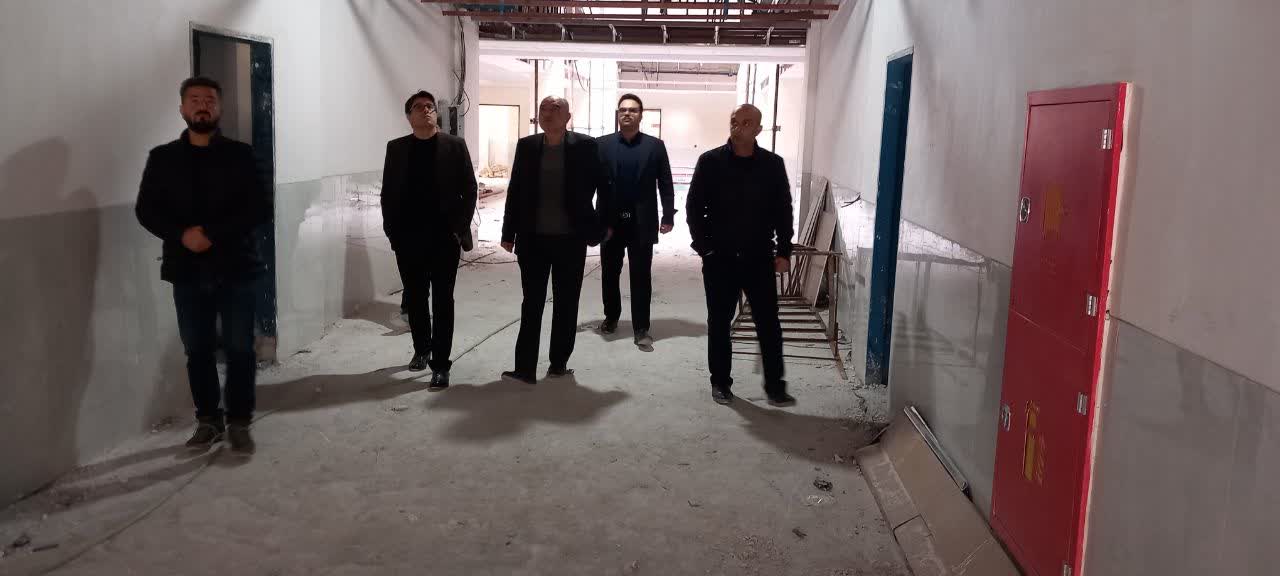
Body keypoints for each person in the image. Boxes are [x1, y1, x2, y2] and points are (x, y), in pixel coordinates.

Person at [135, 76, 272, 453]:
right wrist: (182, 235)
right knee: (197, 349)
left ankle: (239, 421)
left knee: (240, 349)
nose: (202, 105)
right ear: (182, 108)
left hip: (237, 267)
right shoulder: (162, 158)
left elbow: (259, 207)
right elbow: (146, 210)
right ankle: (208, 419)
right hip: (187, 269)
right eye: (194, 99)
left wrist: (211, 233)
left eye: (210, 99)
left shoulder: (241, 155)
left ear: (219, 108)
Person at [686, 104, 796, 407]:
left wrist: (784, 250)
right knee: (720, 322)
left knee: (768, 323)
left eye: (747, 122)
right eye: (735, 120)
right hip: (720, 258)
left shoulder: (772, 165)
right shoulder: (710, 162)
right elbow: (694, 207)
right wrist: (705, 248)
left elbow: (783, 210)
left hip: (758, 257)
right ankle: (720, 383)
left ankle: (775, 387)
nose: (738, 126)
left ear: (758, 129)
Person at [499, 96, 613, 384]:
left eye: (555, 109)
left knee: (566, 302)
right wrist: (508, 233)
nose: (548, 113)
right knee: (532, 303)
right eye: (543, 109)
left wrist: (601, 227)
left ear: (568, 117)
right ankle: (525, 368)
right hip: (533, 240)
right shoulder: (527, 146)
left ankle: (559, 363)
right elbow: (515, 190)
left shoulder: (586, 146)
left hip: (570, 240)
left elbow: (605, 187)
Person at [381, 90, 478, 390]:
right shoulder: (397, 148)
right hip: (408, 239)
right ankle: (422, 348)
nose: (425, 110)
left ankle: (441, 364)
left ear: (436, 114)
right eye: (418, 107)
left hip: (444, 239)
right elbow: (388, 193)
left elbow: (469, 189)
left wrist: (459, 228)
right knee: (415, 298)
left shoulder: (454, 146)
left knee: (443, 300)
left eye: (430, 106)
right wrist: (392, 232)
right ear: (408, 116)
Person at [595, 94, 676, 350]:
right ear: (618, 114)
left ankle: (641, 327)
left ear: (641, 115)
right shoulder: (601, 145)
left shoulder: (655, 146)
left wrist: (668, 215)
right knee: (610, 273)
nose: (627, 113)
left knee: (641, 276)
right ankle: (611, 317)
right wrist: (589, 220)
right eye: (623, 110)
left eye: (632, 110)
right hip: (610, 222)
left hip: (642, 222)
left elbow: (665, 182)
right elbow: (590, 184)